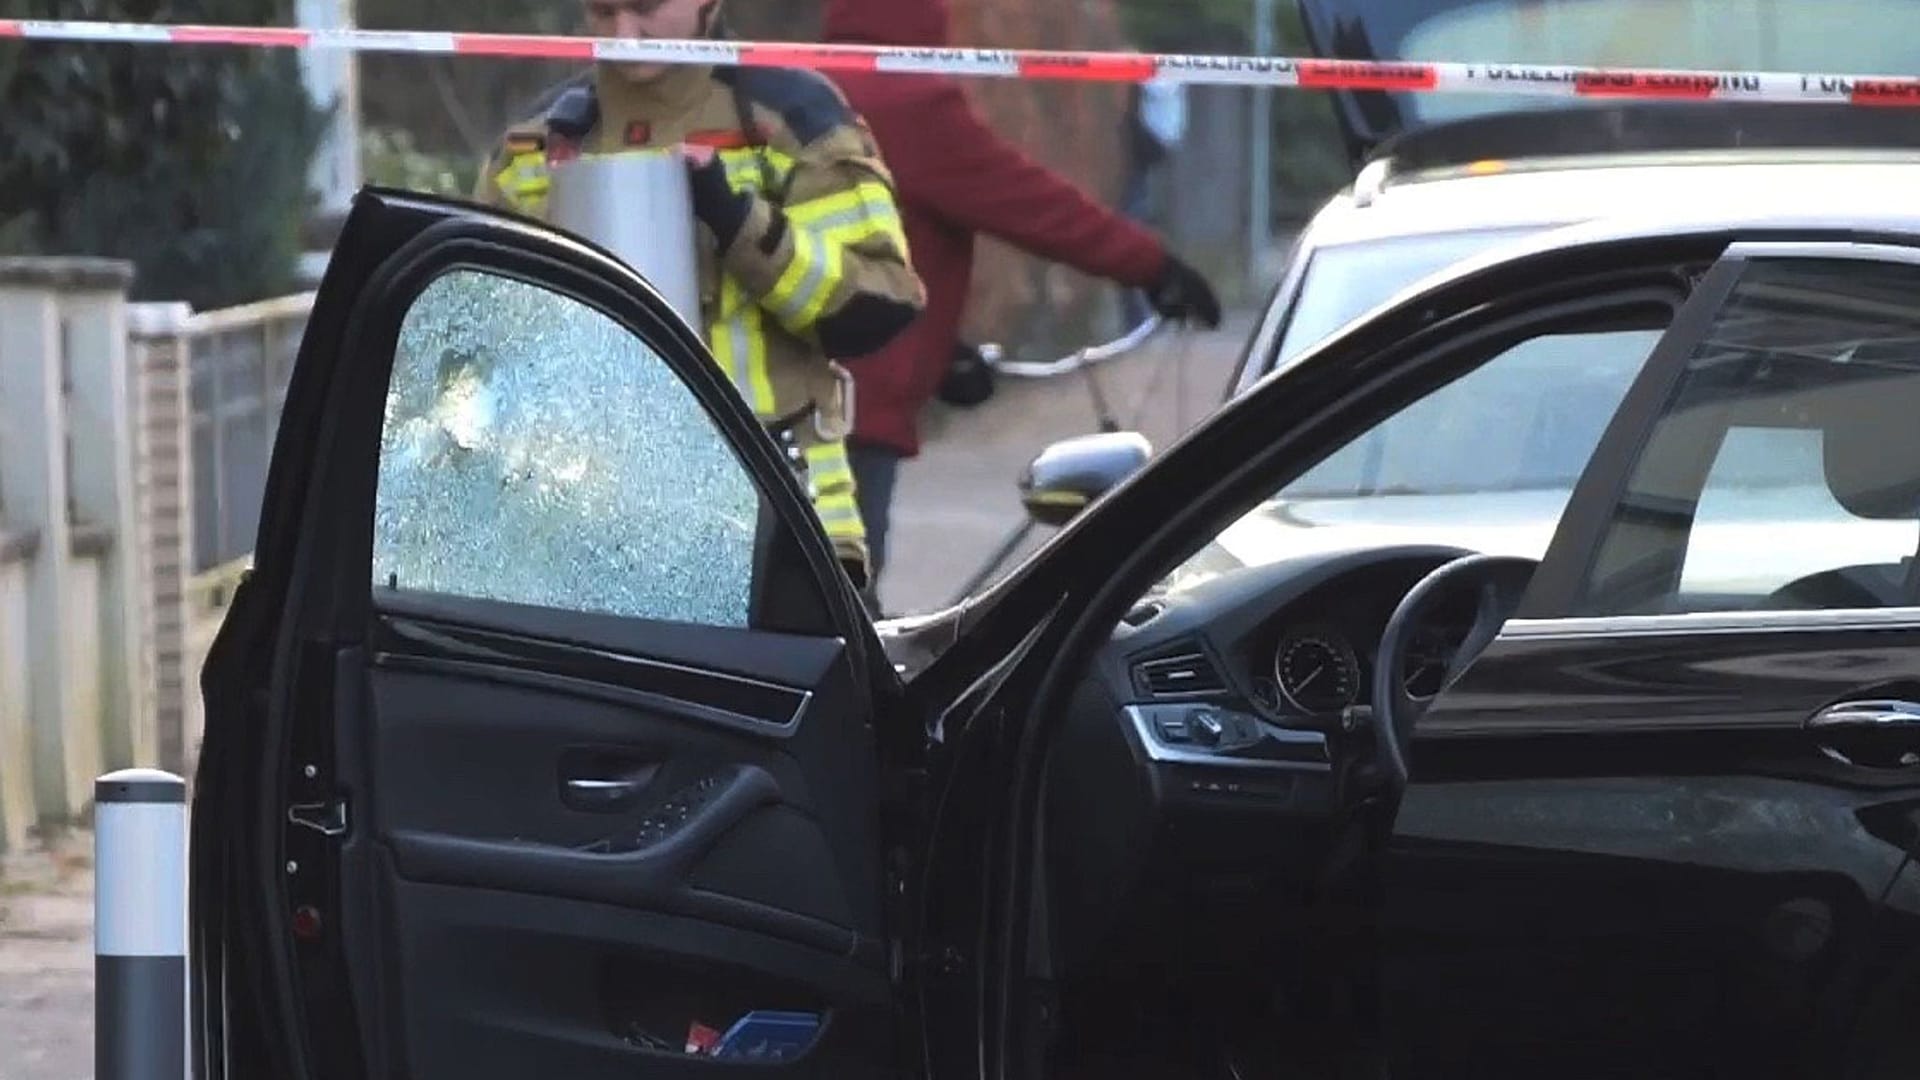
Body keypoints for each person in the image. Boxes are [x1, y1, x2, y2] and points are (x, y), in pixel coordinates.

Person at [474, 0, 927, 603]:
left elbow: (876, 306)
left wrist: (740, 221)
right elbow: (481, 327)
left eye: (645, 9)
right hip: (592, 532)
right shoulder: (535, 145)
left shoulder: (788, 115)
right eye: (603, 13)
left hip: (782, 515)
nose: (625, 36)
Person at [820, 0, 1223, 596]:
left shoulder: (812, 88)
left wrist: (935, 349)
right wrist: (1153, 266)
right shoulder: (908, 101)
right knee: (846, 612)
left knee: (814, 603)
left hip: (803, 393)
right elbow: (1027, 204)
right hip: (857, 417)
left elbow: (848, 243)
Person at [1119, 77, 1189, 327]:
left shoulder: (1167, 81)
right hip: (1159, 142)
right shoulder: (1175, 81)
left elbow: (1154, 85)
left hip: (1156, 142)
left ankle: (1142, 316)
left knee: (1136, 218)